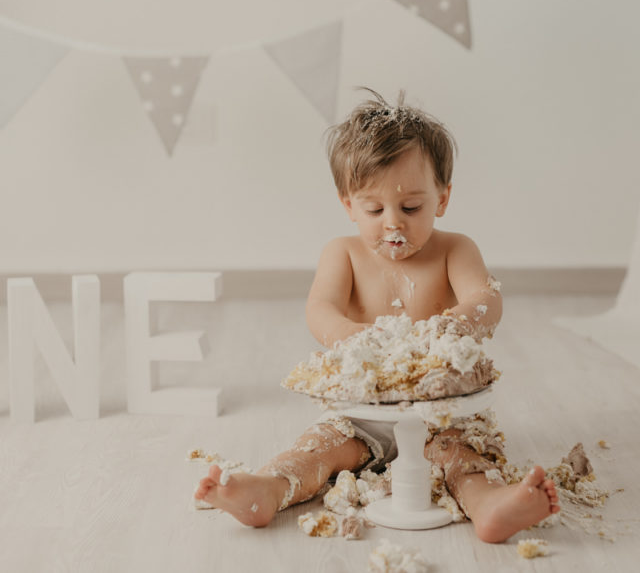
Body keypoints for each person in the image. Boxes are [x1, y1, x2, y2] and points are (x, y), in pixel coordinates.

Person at [194, 89, 559, 543]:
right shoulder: (342, 253)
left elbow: (486, 298)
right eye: (373, 208)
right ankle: (266, 489)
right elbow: (320, 308)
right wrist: (350, 334)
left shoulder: (456, 249)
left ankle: (489, 507)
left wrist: (456, 325)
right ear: (348, 204)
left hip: (439, 413)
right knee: (316, 450)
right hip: (361, 414)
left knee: (462, 459)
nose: (393, 223)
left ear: (443, 198)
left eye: (411, 208)